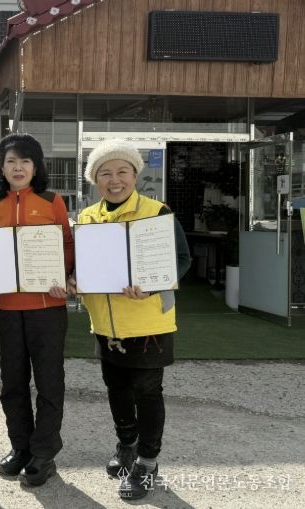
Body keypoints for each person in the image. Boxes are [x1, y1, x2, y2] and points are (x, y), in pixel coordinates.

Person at [71, 139, 191, 500]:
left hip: (149, 323)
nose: (115, 179)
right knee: (116, 388)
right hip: (105, 325)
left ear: (135, 175)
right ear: (95, 180)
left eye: (122, 171)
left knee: (147, 392)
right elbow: (82, 265)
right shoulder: (87, 219)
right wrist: (75, 278)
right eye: (105, 173)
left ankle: (148, 461)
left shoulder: (157, 212)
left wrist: (152, 287)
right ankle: (126, 443)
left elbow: (181, 259)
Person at [0, 133, 74, 487]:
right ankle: (21, 447)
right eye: (11, 161)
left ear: (36, 167)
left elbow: (67, 244)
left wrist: (65, 275)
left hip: (47, 306)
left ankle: (43, 453)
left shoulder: (52, 201)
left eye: (25, 161)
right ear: (1, 167)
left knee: (49, 382)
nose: (18, 167)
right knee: (12, 382)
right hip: (6, 308)